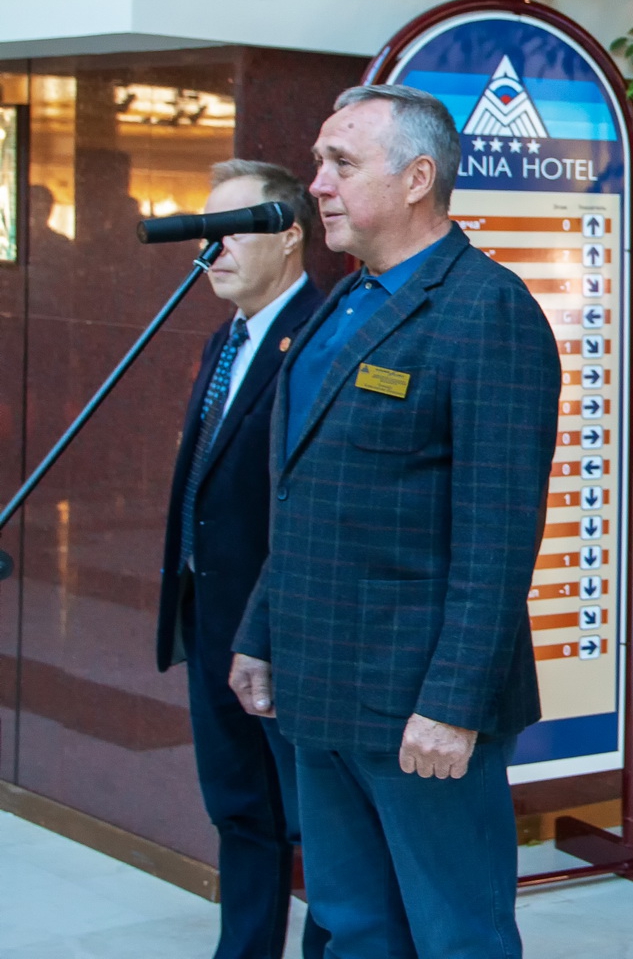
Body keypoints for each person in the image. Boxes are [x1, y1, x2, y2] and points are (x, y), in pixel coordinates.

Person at [229, 85, 560, 959]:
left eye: (340, 163)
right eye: (318, 163)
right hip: (320, 689)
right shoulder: (342, 306)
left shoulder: (487, 310)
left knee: (458, 938)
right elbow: (305, 494)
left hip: (420, 708)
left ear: (417, 178)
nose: (317, 185)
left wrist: (452, 705)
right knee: (355, 928)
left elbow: (498, 538)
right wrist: (261, 631)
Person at [155, 159, 327, 959]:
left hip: (285, 631)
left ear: (289, 235)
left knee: (317, 825)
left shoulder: (322, 338)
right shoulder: (224, 340)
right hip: (210, 619)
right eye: (204, 231)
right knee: (238, 808)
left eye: (230, 230)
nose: (210, 248)